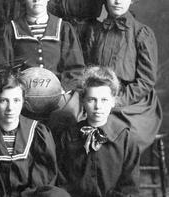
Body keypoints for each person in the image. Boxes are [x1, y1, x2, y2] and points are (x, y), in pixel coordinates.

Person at [84, 0, 162, 151]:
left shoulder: (142, 33)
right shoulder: (95, 31)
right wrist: (99, 97)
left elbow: (145, 81)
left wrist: (115, 101)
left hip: (133, 103)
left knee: (114, 130)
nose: (118, 1)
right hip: (100, 96)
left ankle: (118, 176)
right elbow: (87, 70)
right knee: (77, 122)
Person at [0, 0, 85, 130]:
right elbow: (3, 68)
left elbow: (76, 69)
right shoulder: (10, 29)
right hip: (23, 102)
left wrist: (61, 90)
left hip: (58, 101)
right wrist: (17, 92)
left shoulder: (63, 28)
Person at [0, 69, 70, 197]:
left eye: (16, 100)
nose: (10, 108)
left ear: (23, 101)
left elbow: (42, 182)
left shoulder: (38, 132)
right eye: (3, 101)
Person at [58, 66, 140, 197]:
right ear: (83, 101)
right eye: (91, 100)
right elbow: (61, 181)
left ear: (113, 101)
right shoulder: (69, 136)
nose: (98, 107)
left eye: (104, 100)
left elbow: (129, 187)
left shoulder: (125, 138)